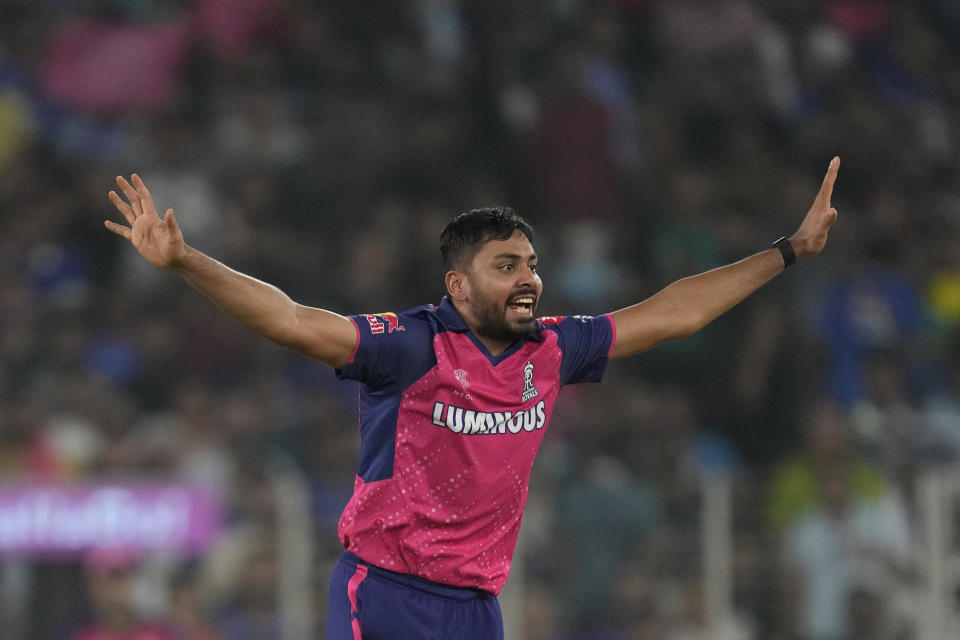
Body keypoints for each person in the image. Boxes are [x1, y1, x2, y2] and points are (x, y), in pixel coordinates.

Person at [104, 157, 840, 640]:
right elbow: (295, 322)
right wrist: (186, 262)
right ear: (458, 285)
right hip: (385, 593)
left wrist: (786, 252)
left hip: (476, 608)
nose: (530, 278)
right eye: (507, 266)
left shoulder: (552, 350)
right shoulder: (411, 345)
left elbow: (672, 311)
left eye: (533, 264)